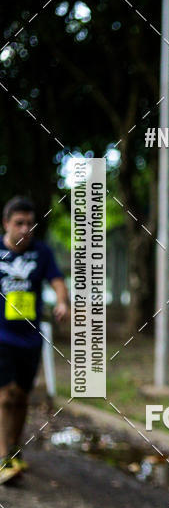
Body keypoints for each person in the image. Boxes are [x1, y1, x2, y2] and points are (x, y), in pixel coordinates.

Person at [0, 196, 69, 483]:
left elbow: (56, 281)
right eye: (19, 223)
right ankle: (3, 458)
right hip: (1, 336)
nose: (25, 228)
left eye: (30, 223)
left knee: (22, 397)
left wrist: (62, 302)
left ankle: (14, 449)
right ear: (6, 224)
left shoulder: (41, 252)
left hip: (30, 338)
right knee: (5, 396)